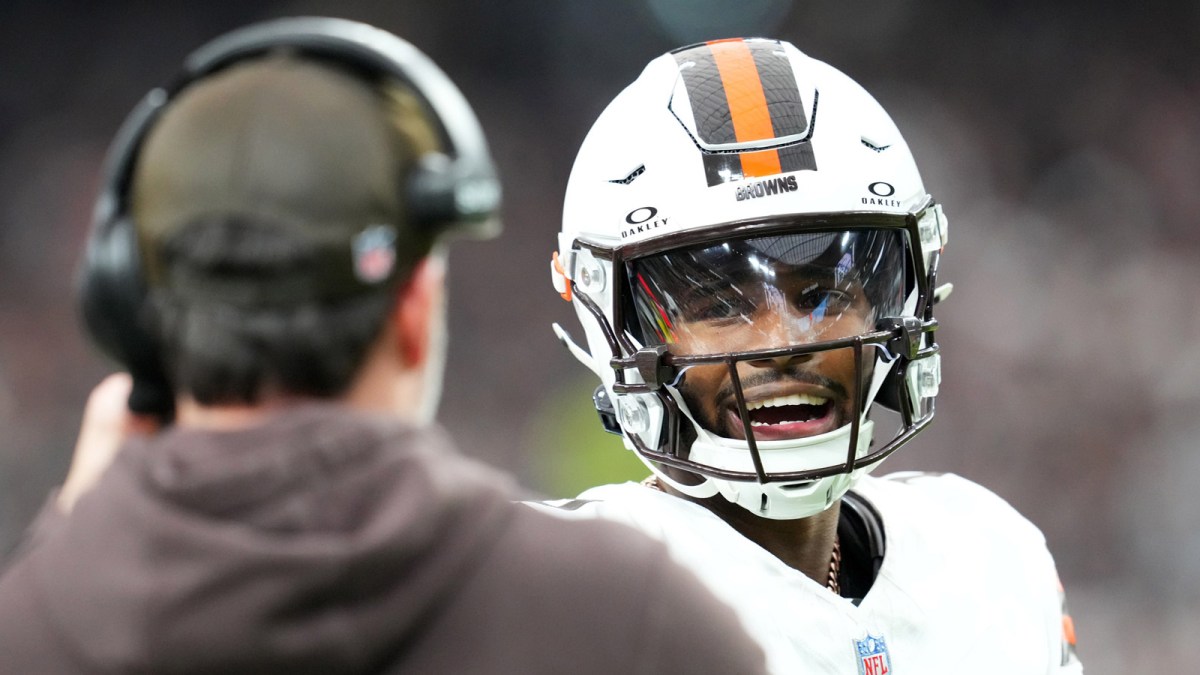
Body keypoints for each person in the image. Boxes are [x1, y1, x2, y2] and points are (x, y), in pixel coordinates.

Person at [0, 19, 769, 674]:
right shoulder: (633, 620)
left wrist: (67, 543)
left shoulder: (31, 629)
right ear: (414, 309)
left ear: (128, 309)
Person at [542, 37, 1082, 673]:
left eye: (823, 293)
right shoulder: (562, 595)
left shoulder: (990, 556)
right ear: (615, 325)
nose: (785, 342)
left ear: (902, 301)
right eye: (719, 307)